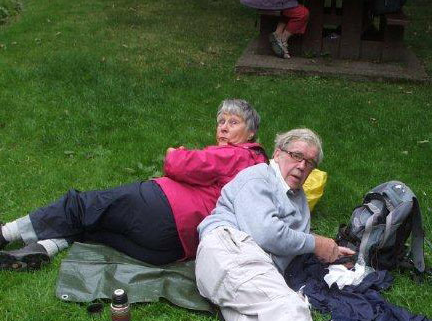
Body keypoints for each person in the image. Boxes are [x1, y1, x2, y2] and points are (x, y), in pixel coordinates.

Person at [196, 128, 396, 321]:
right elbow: (266, 233)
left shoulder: (298, 200)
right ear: (278, 153)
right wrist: (315, 243)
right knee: (286, 304)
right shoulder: (257, 178)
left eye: (310, 163)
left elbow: (290, 244)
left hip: (235, 269)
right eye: (296, 156)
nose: (302, 166)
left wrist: (326, 252)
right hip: (227, 248)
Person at [0, 100, 268, 271]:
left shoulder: (239, 154)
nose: (223, 128)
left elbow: (178, 163)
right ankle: (44, 248)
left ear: (251, 132)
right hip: (173, 249)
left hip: (165, 210)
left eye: (233, 122)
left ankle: (7, 233)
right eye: (220, 122)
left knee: (82, 206)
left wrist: (175, 151)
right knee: (97, 226)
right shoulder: (258, 169)